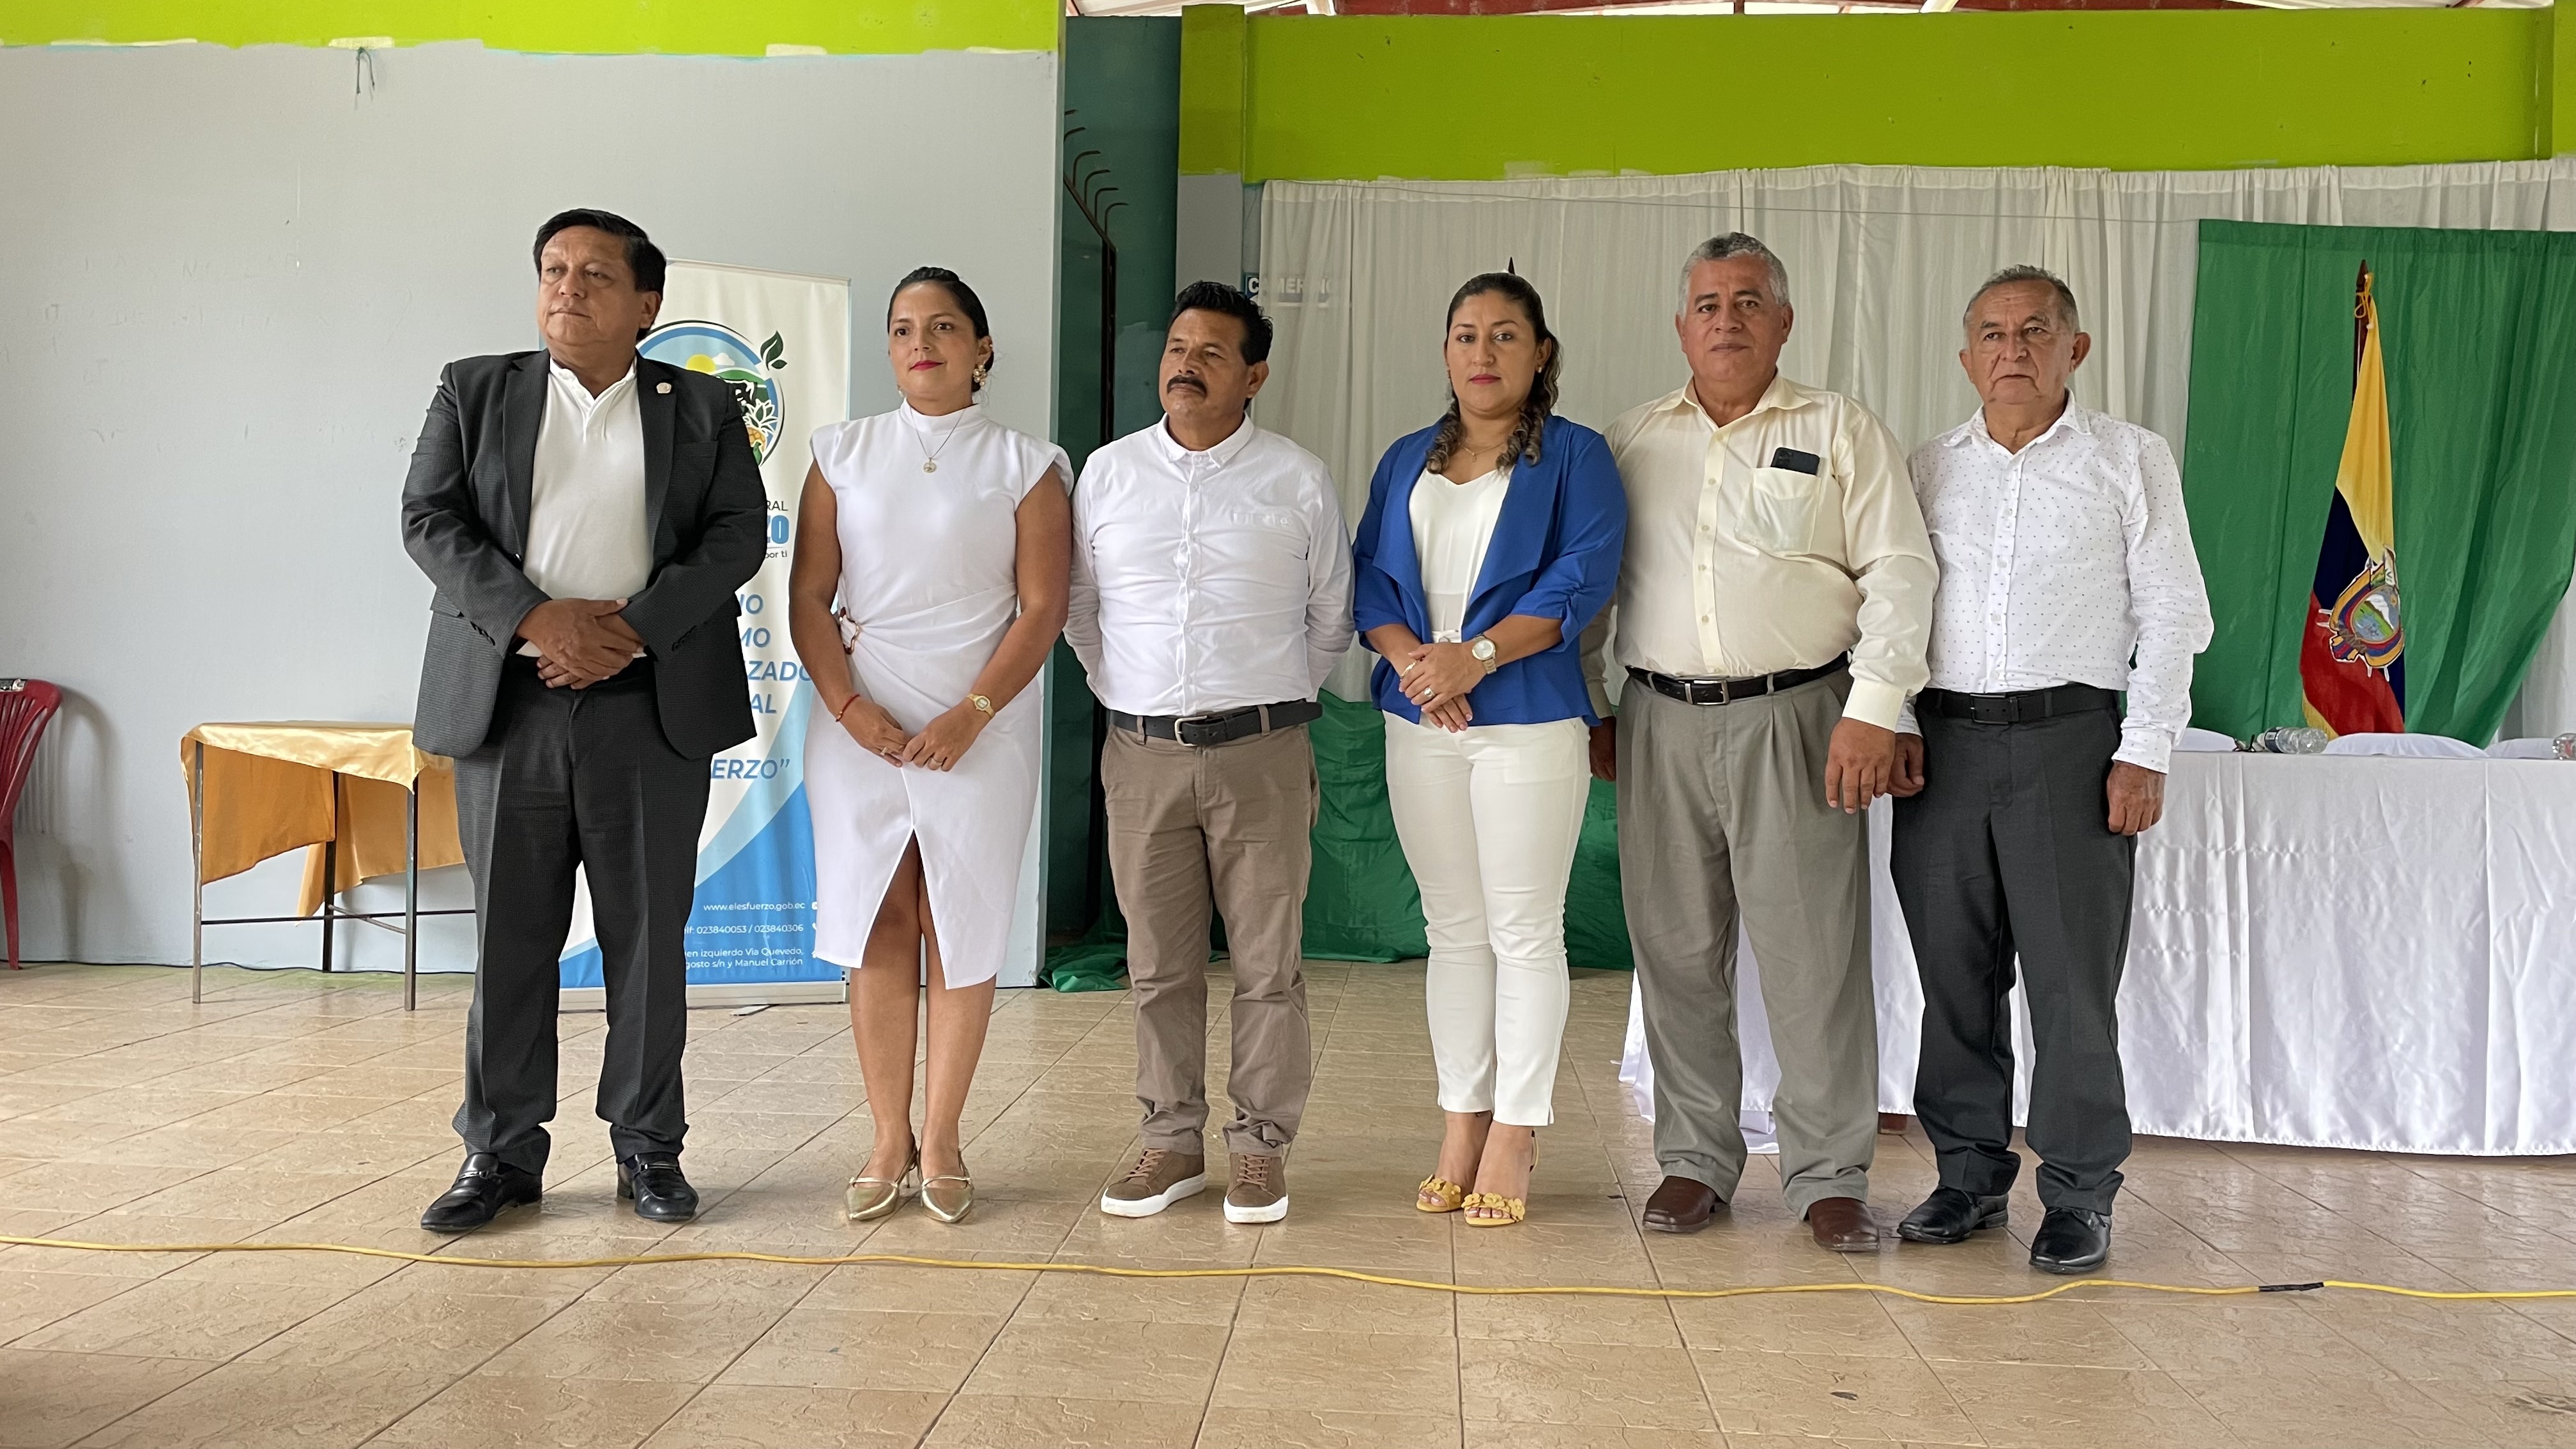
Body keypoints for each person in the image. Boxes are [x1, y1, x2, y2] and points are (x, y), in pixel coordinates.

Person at [402, 209, 766, 1231]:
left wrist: (632, 631)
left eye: (596, 274)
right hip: (509, 705)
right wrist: (538, 618)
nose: (568, 288)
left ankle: (649, 1149)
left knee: (646, 940)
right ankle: (500, 1153)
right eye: (554, 270)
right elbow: (430, 520)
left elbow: (737, 533)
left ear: (647, 304)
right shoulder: (474, 389)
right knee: (508, 939)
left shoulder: (702, 406)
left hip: (647, 706)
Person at [1584, 233, 1936, 1252]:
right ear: (1680, 327)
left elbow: (1900, 573)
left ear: (1784, 321)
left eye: (1748, 302)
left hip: (1802, 718)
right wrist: (1594, 704)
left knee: (1812, 956)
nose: (1726, 320)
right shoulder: (1631, 441)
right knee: (1676, 953)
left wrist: (1877, 710)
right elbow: (1590, 587)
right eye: (1708, 304)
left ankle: (1829, 1174)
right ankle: (1694, 1160)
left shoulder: (1840, 429)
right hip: (1656, 720)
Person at [1889, 266, 2212, 1273]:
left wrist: (2145, 748)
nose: (2013, 350)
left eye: (2036, 330)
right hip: (1943, 745)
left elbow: (2174, 610)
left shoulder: (2128, 458)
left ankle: (2077, 1192)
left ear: (2076, 348)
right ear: (1965, 358)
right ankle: (1968, 1176)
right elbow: (1892, 607)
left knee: (2072, 986)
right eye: (1993, 333)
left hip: (2071, 743)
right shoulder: (1927, 467)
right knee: (1954, 978)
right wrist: (1893, 719)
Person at [788, 267, 1071, 1226]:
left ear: (982, 349)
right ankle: (885, 1137)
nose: (923, 344)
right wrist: (847, 706)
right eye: (905, 328)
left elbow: (1043, 607)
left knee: (961, 917)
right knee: (879, 916)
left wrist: (972, 712)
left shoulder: (1026, 464)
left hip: (982, 719)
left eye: (944, 327)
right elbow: (809, 596)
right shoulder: (841, 453)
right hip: (860, 718)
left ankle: (943, 1136)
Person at [1066, 282, 1353, 1225]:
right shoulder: (1108, 474)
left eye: (1212, 353)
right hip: (1141, 753)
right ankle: (1171, 1142)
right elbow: (1080, 610)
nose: (1186, 365)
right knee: (1158, 965)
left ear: (1254, 375)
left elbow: (1331, 617)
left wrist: (1264, 701)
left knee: (1269, 965)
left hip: (1263, 752)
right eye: (1177, 348)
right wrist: (1135, 699)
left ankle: (1260, 1148)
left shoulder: (1297, 477)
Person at [1351, 273, 1625, 1227]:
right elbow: (1370, 581)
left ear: (1541, 353)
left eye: (1506, 335)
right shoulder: (1405, 460)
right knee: (1453, 930)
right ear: (1446, 352)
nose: (1483, 352)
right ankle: (1462, 1120)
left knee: (1524, 929)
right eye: (1466, 334)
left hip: (1527, 719)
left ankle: (1517, 1128)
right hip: (1420, 716)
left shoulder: (1577, 456)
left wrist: (1472, 659)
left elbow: (1581, 576)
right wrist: (1419, 669)